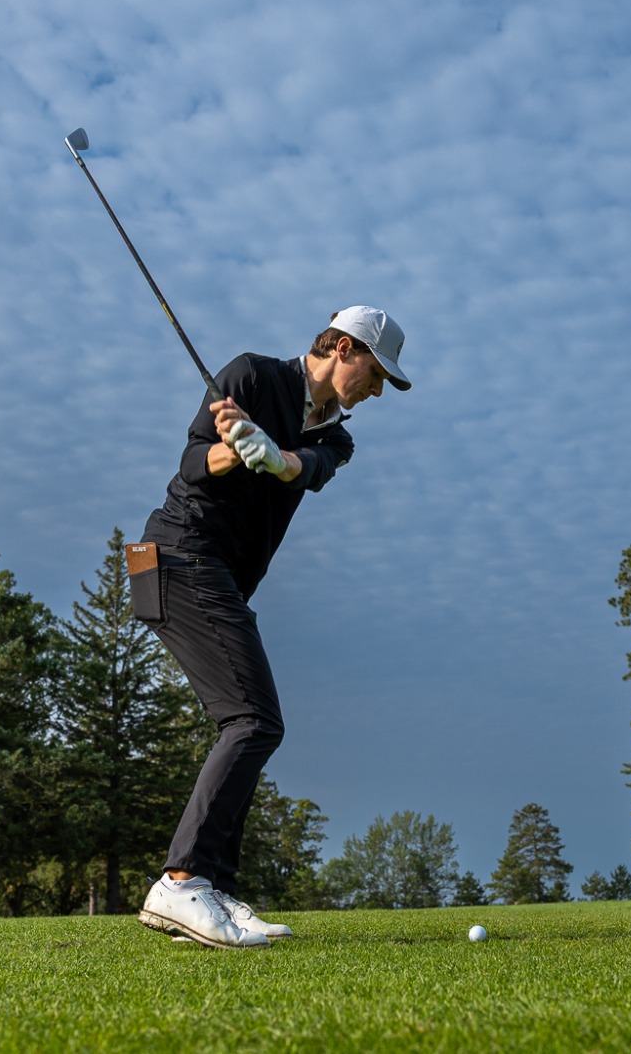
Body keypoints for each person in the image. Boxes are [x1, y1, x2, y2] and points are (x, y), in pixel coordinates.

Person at [131, 305, 411, 949]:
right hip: (174, 557)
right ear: (342, 346)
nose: (376, 390)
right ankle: (181, 882)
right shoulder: (252, 376)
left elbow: (304, 469)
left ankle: (213, 891)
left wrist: (274, 454)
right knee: (254, 722)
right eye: (375, 372)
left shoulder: (336, 436)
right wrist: (234, 449)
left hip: (216, 575)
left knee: (252, 724)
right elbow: (192, 463)